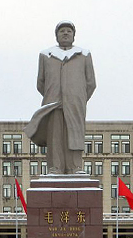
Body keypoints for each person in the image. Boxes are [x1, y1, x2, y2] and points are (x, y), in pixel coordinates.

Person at [24, 21, 96, 174]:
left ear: (73, 35)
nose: (65, 33)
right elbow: (40, 82)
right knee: (54, 136)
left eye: (69, 31)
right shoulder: (46, 55)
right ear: (56, 35)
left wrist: (78, 97)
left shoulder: (84, 54)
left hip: (76, 103)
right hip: (53, 102)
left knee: (74, 134)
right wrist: (53, 94)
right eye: (62, 31)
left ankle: (74, 167)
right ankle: (55, 167)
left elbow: (91, 83)